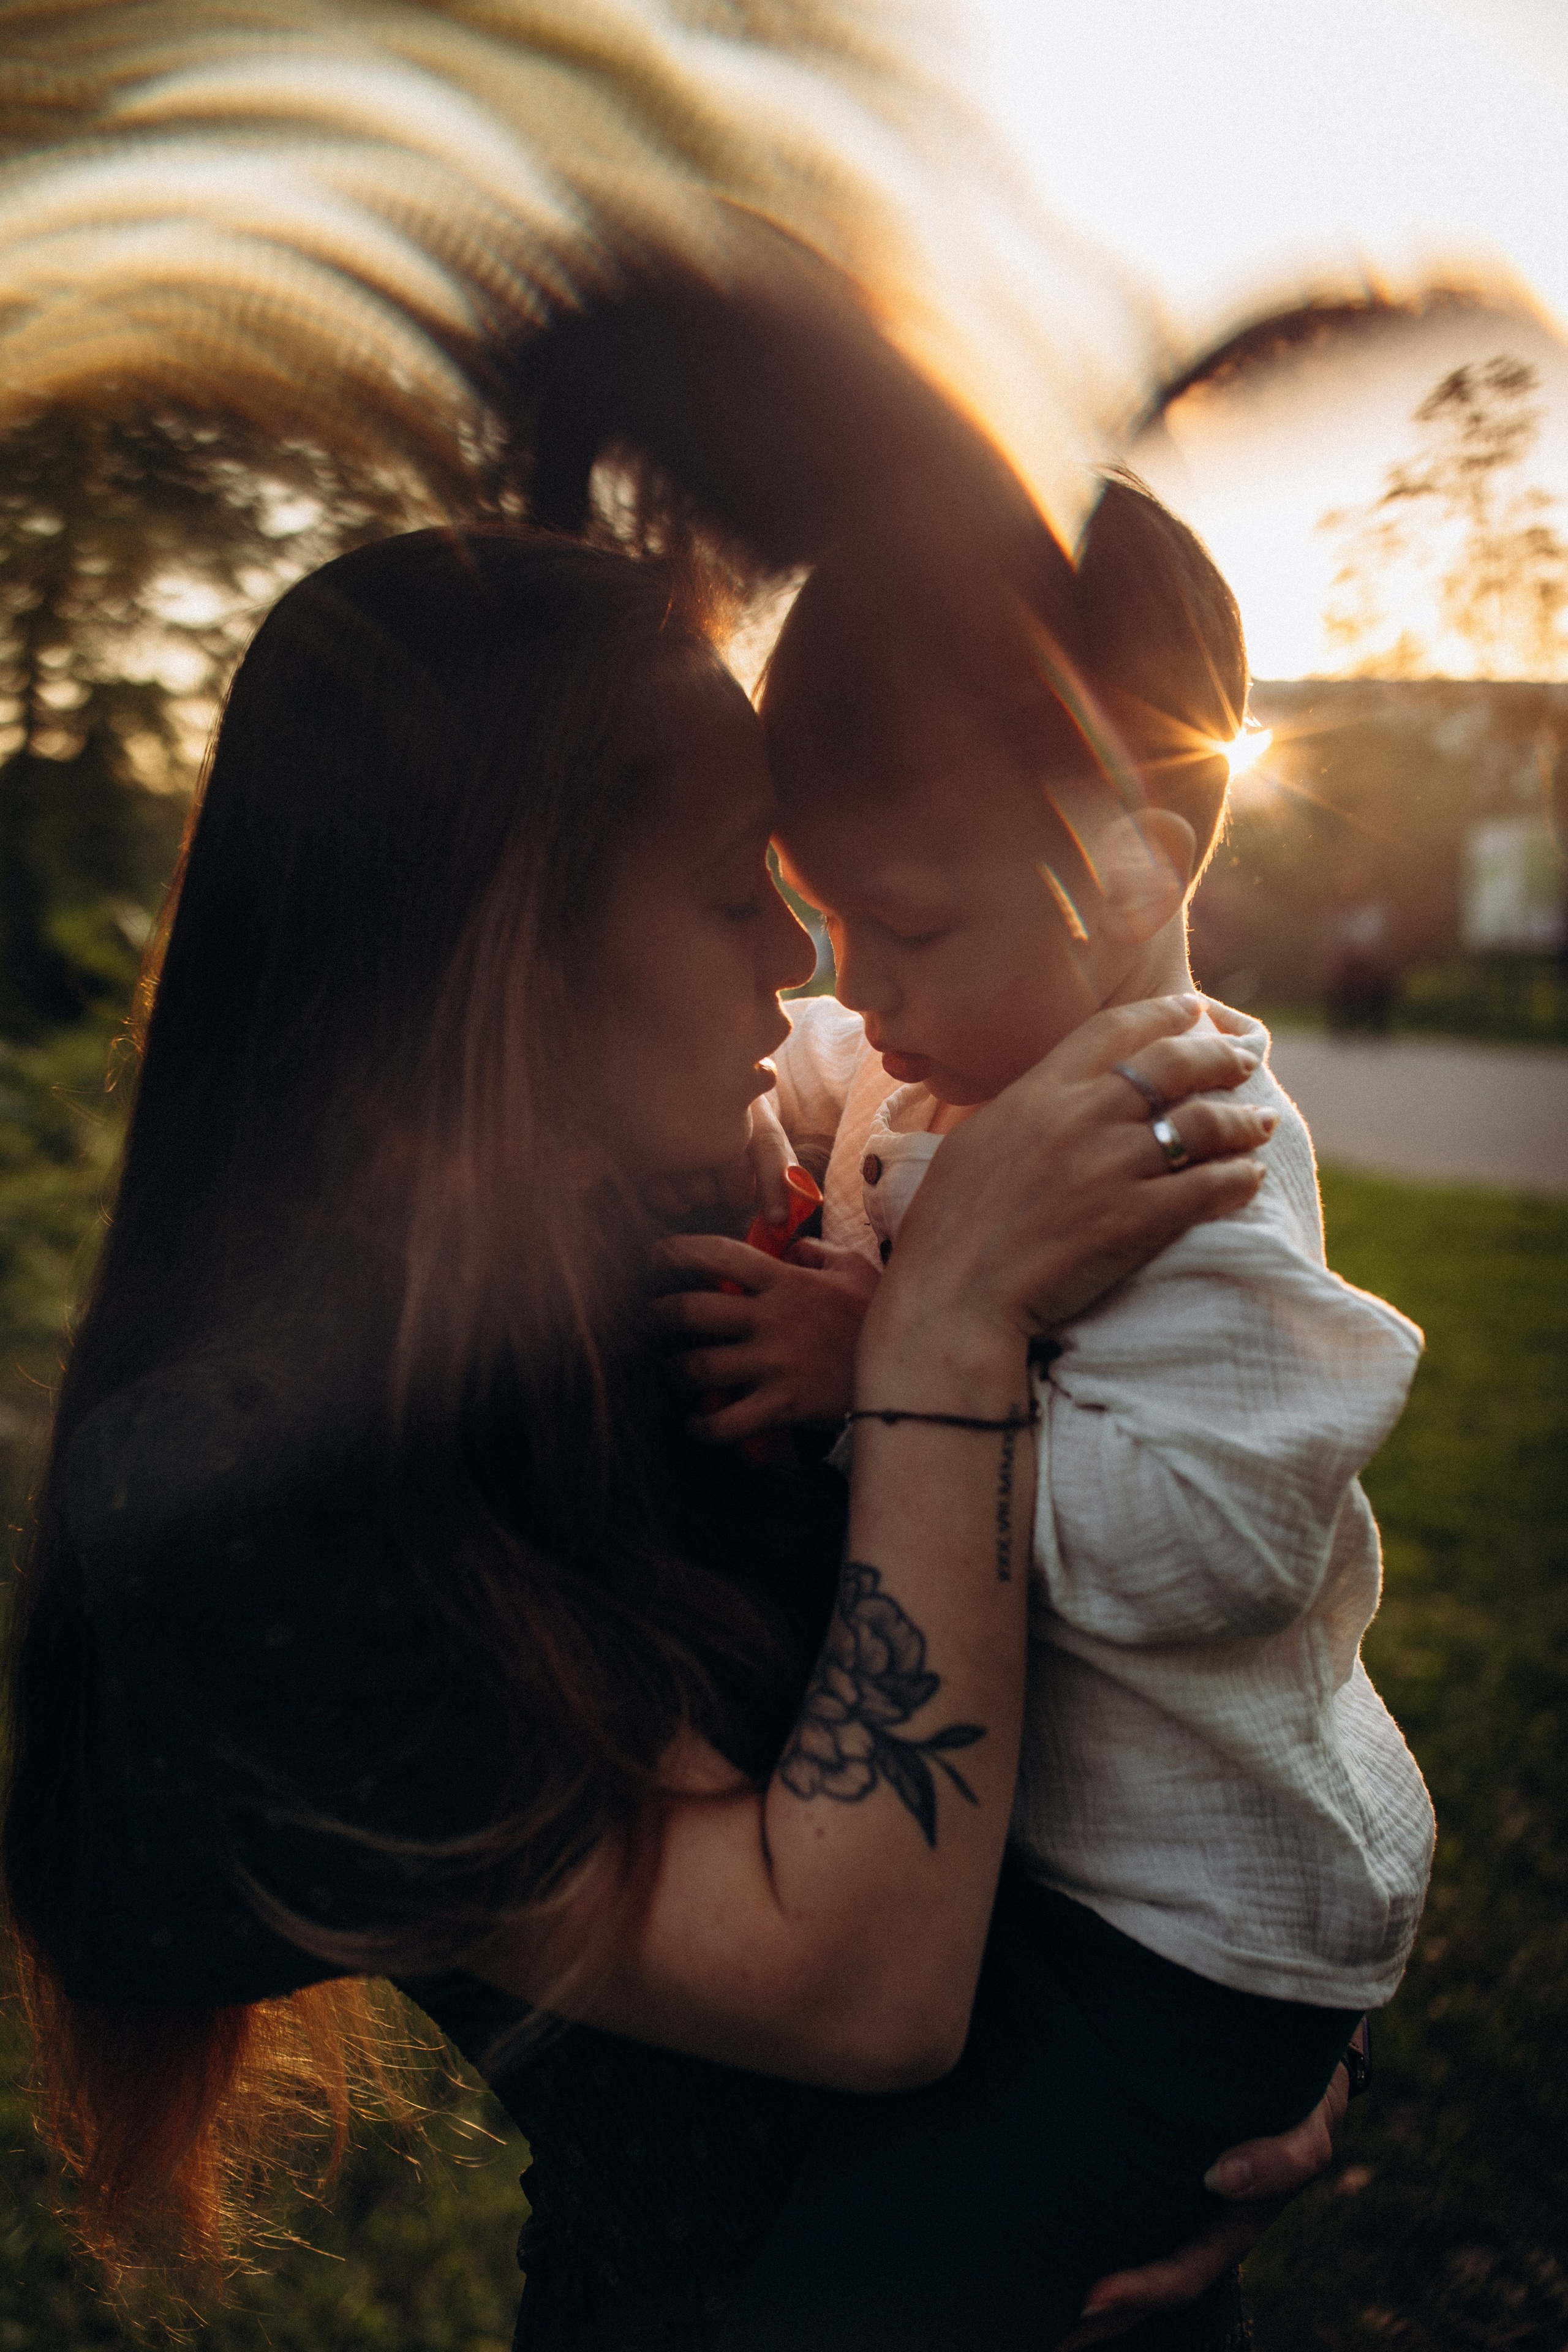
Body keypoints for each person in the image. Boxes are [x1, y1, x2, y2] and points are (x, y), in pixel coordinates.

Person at [3, 524, 1336, 2352]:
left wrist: (1211, 2048)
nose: (806, 962)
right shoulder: (252, 1495)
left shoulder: (687, 1215)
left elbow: (1205, 1565)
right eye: (739, 894)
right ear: (500, 952)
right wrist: (946, 1328)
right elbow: (860, 1996)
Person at [654, 480, 1434, 2346]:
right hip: (1047, 1897)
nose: (855, 988)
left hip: (1179, 1950)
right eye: (830, 919)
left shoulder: (1194, 1157)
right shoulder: (949, 1057)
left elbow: (1220, 1547)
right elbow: (823, 1054)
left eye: (902, 928)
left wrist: (903, 1362)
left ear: (1137, 872)